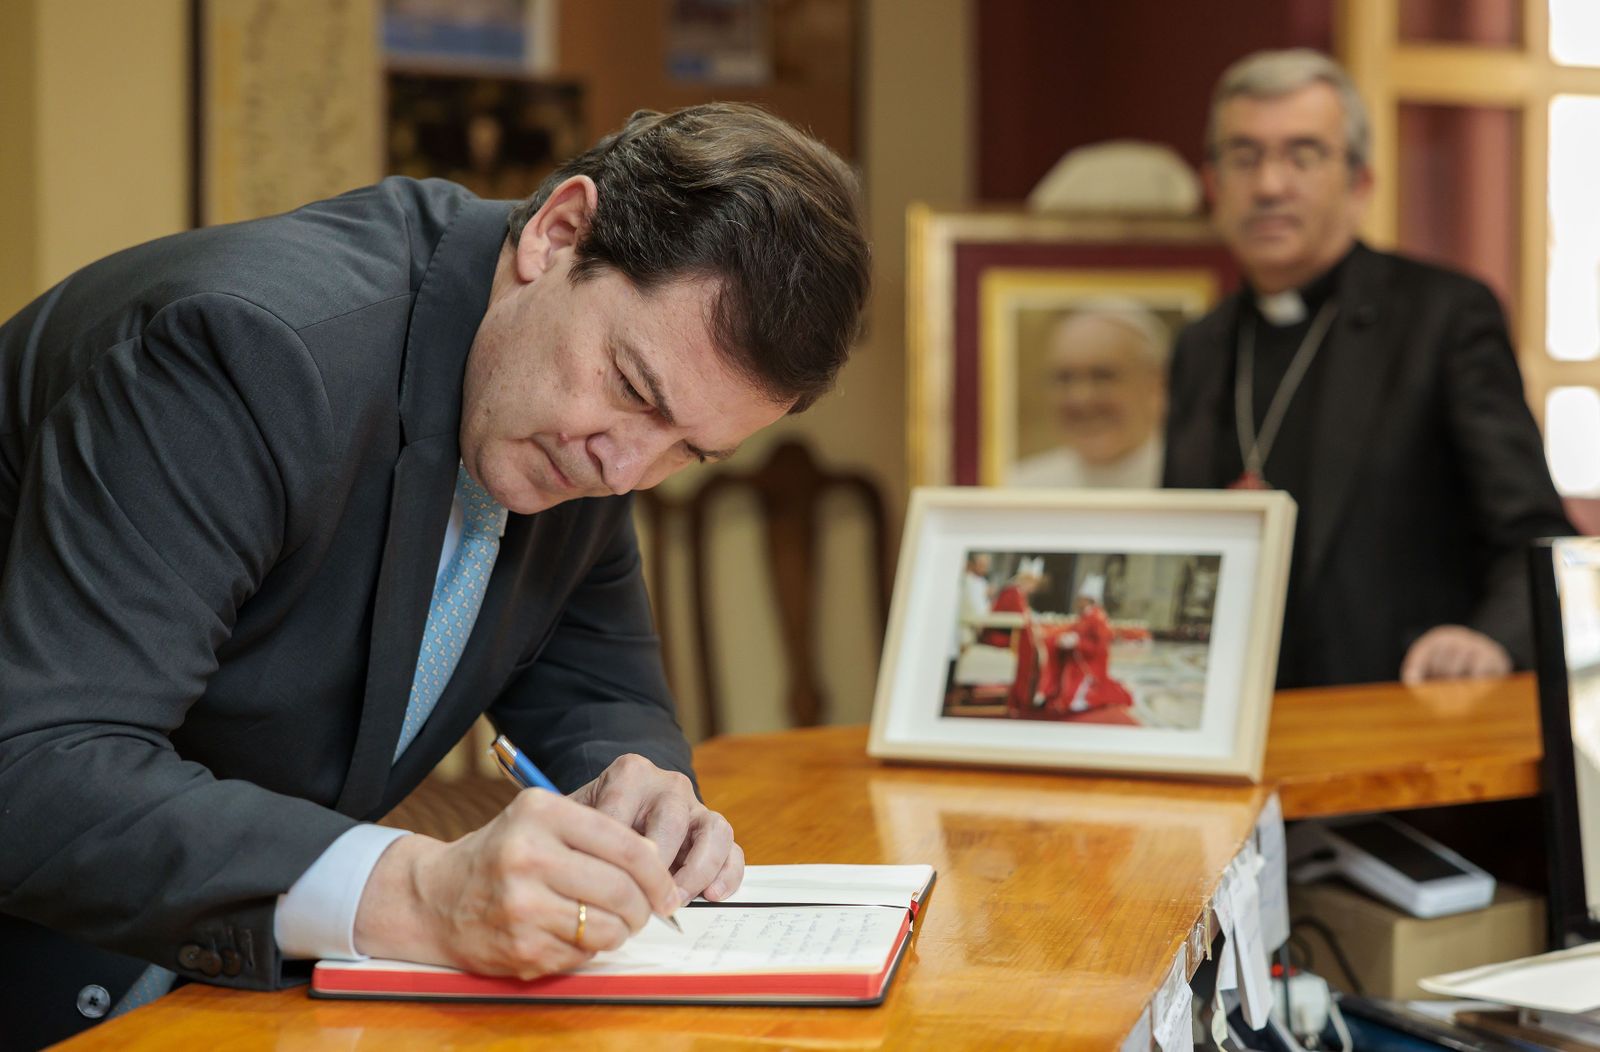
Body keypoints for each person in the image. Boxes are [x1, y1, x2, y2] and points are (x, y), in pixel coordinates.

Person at [0, 103, 870, 1048]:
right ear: (559, 232)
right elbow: (38, 768)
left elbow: (594, 691)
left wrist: (644, 792)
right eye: (633, 388)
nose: (626, 473)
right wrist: (417, 889)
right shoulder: (250, 356)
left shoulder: (583, 417)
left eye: (689, 452)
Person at [1163, 49, 1573, 689]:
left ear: (1360, 184)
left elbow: (1535, 537)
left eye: (1302, 155)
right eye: (1244, 157)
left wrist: (1488, 641)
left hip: (1401, 718)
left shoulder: (1441, 318)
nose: (1269, 185)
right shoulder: (1202, 345)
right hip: (1235, 724)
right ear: (1213, 184)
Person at [1008, 301, 1169, 489]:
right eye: (1064, 378)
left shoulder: (1193, 483)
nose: (1080, 398)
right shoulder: (1018, 487)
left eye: (1102, 376)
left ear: (1155, 385)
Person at [1041, 575, 1137, 721]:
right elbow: (1071, 628)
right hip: (1079, 660)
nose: (1078, 602)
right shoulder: (1086, 616)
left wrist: (1077, 643)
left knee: (1075, 699)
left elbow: (1099, 647)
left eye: (1081, 598)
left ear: (1089, 600)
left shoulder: (1098, 618)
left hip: (1090, 665)